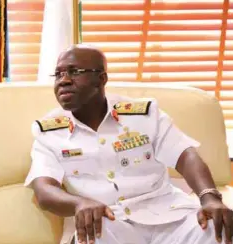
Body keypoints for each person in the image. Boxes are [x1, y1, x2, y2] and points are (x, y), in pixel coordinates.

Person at [25, 44, 233, 244]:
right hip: (109, 224)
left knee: (216, 229)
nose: (64, 81)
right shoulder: (49, 131)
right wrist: (80, 203)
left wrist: (209, 197)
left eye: (74, 72)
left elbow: (185, 155)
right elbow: (44, 190)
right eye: (59, 74)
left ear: (101, 78)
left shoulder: (144, 114)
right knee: (92, 235)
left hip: (169, 219)